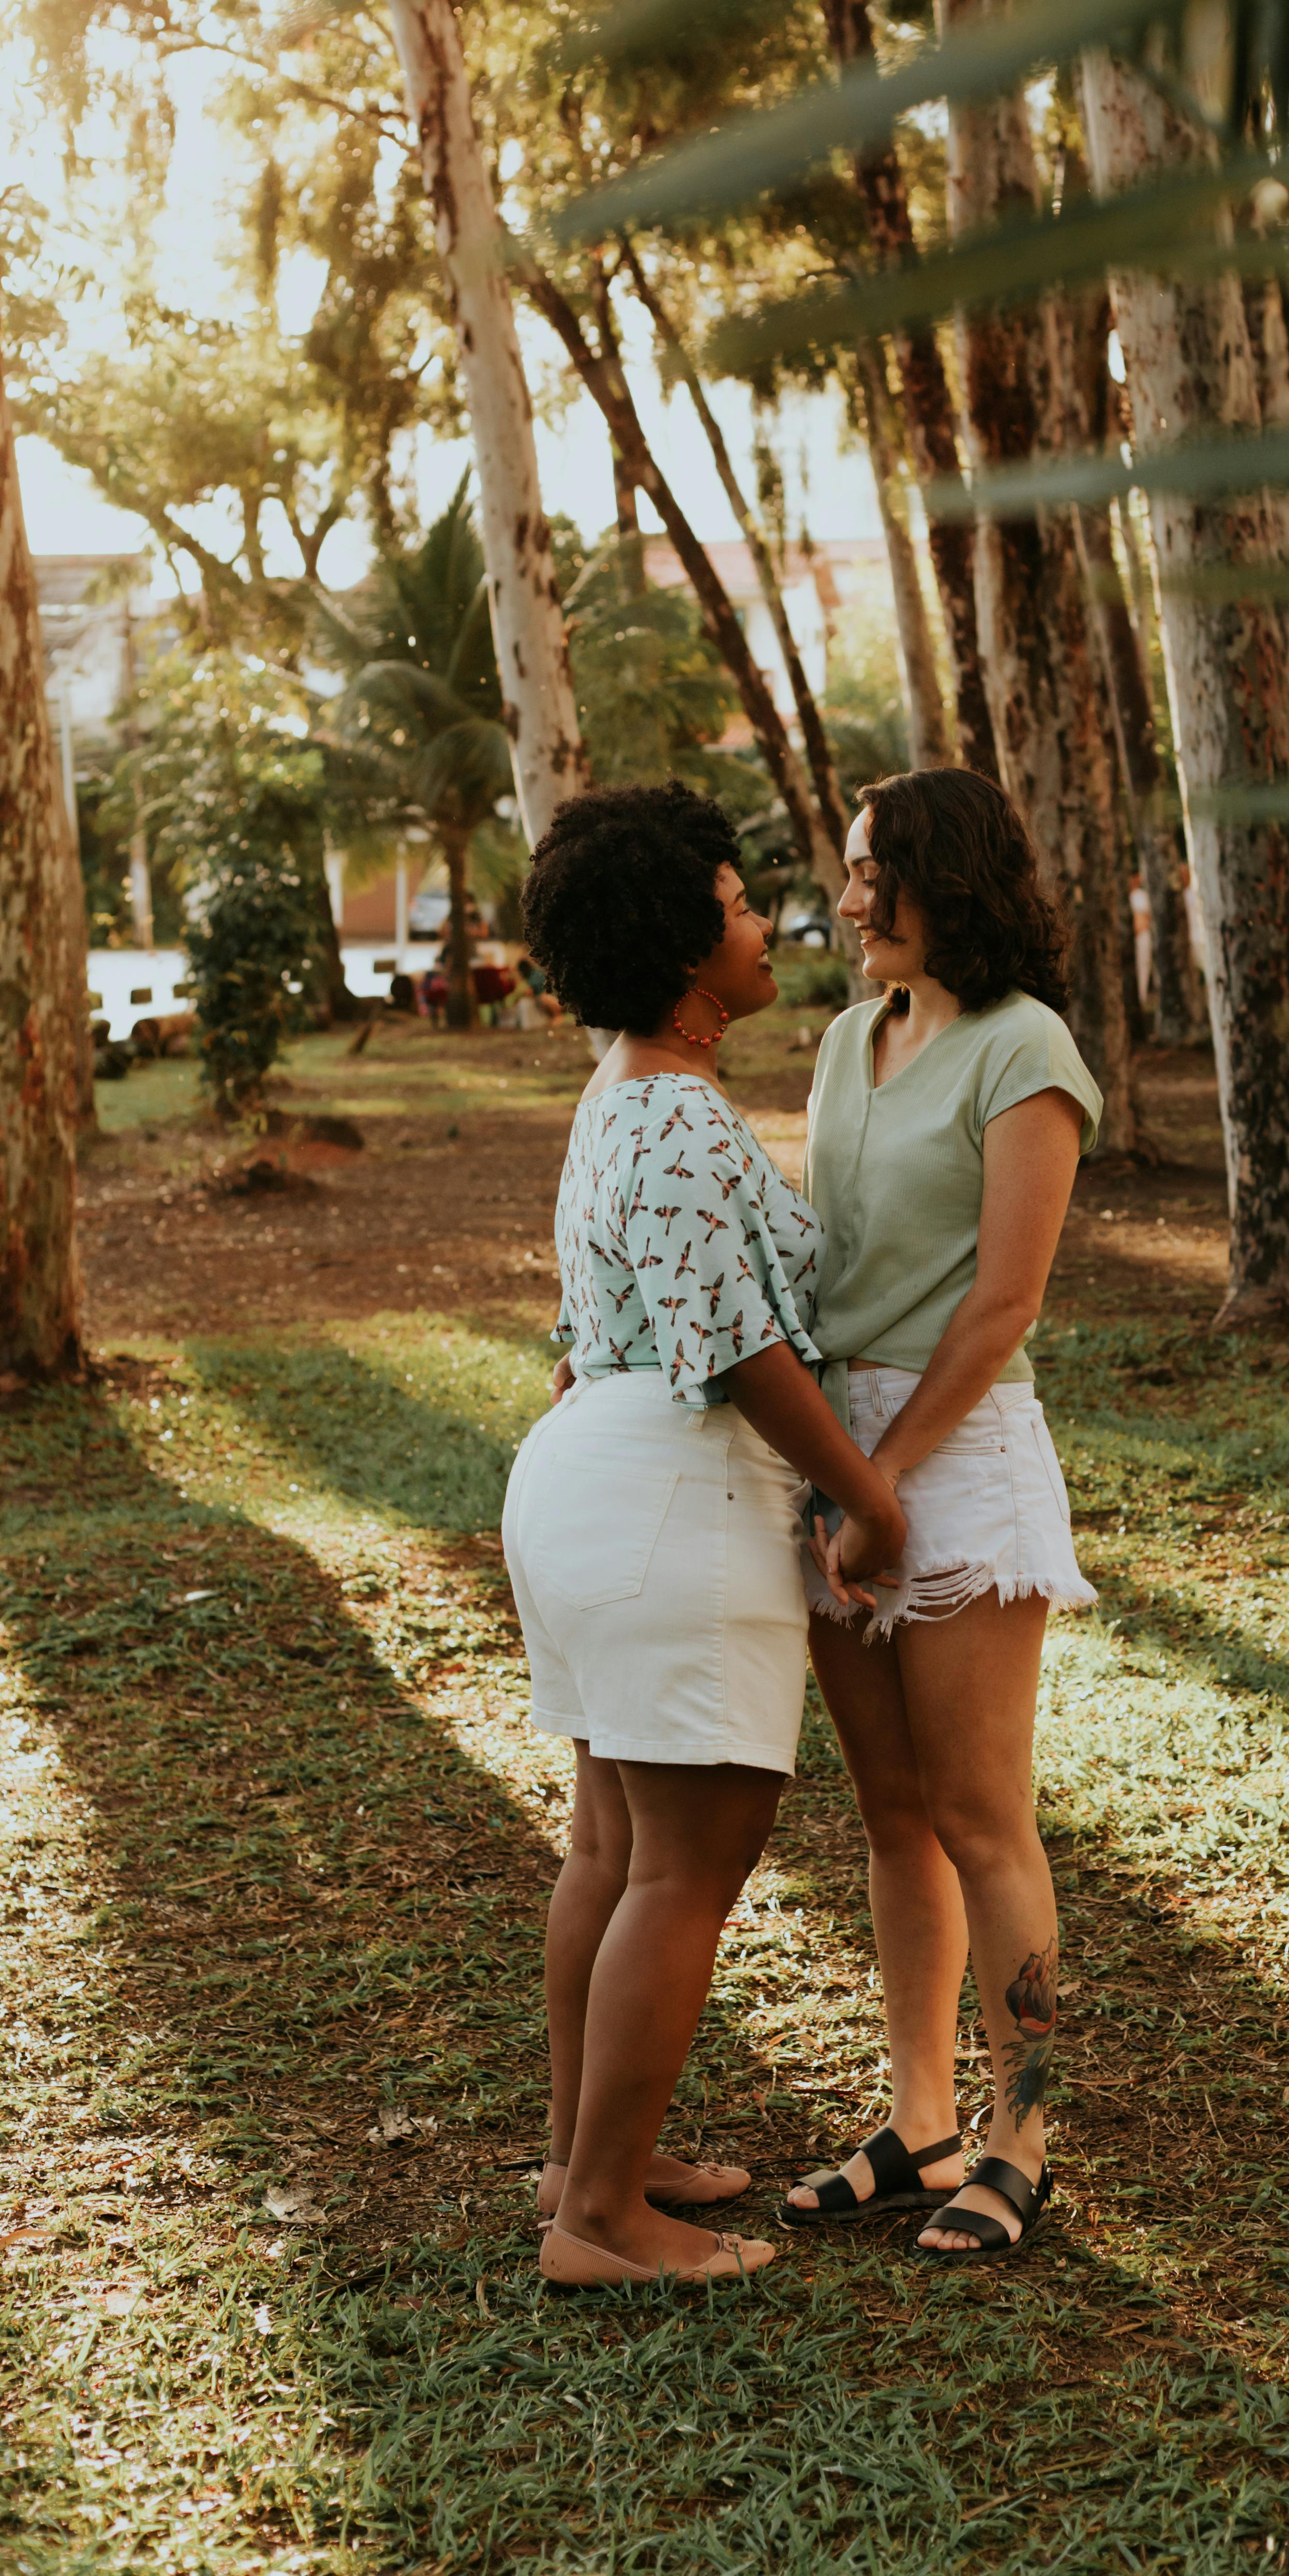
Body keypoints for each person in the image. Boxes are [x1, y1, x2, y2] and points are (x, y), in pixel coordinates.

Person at [502, 782, 908, 2289]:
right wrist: (866, 1497)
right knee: (691, 1859)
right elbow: (735, 1346)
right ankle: (603, 2219)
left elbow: (577, 1334)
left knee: (614, 1840)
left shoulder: (620, 1094)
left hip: (590, 1472)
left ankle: (586, 2153)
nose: (765, 926)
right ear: (686, 958)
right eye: (742, 908)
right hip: (667, 1484)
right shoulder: (672, 1116)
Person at [783, 770, 1100, 2263]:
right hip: (841, 1448)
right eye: (846, 878)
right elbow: (823, 1254)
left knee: (979, 1815)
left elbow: (1003, 1305)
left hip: (954, 1457)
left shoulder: (1026, 1050)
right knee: (891, 1818)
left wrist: (889, 1480)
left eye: (871, 878)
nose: (848, 905)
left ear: (942, 879)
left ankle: (1019, 2140)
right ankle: (917, 2125)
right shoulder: (853, 1038)